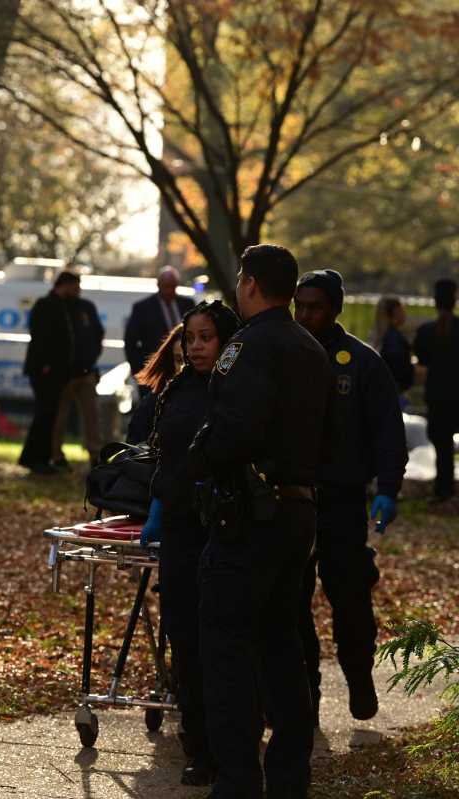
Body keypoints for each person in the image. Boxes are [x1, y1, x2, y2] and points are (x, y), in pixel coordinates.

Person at [191, 244, 330, 799]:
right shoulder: (310, 347)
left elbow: (233, 426)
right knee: (282, 643)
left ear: (250, 284)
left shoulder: (248, 345)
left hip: (249, 516)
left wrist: (198, 456)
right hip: (297, 511)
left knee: (226, 649)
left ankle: (238, 781)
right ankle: (290, 777)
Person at [293, 270, 407, 725]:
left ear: (335, 308)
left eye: (315, 306)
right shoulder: (287, 356)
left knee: (351, 601)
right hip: (293, 500)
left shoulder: (362, 362)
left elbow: (387, 432)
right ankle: (305, 697)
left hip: (342, 502)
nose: (305, 315)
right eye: (299, 306)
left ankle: (359, 681)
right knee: (291, 601)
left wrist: (388, 489)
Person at [139, 300, 240, 785]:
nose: (197, 347)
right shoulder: (178, 389)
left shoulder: (235, 389)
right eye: (191, 339)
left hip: (222, 526)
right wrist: (159, 505)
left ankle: (227, 745)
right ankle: (196, 744)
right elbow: (165, 455)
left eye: (206, 338)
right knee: (183, 637)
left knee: (219, 639)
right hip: (180, 527)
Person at [19, 273, 74, 474]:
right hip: (46, 370)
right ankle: (35, 458)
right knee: (45, 413)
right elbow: (43, 337)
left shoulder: (59, 305)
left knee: (48, 414)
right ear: (65, 285)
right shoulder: (47, 305)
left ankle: (39, 457)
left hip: (52, 370)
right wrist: (46, 364)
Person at [52, 271, 105, 465]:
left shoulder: (86, 308)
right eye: (75, 286)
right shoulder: (58, 307)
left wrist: (91, 358)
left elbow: (98, 334)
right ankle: (56, 453)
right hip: (66, 374)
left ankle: (95, 454)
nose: (78, 290)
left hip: (86, 371)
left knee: (92, 416)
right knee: (60, 416)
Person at [413, 278, 459, 502]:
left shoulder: (427, 331)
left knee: (441, 443)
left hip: (437, 393)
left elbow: (422, 360)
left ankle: (444, 488)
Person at [124, 266, 196, 376]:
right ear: (158, 285)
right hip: (155, 370)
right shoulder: (143, 308)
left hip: (185, 367)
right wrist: (139, 370)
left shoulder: (187, 304)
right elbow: (130, 341)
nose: (169, 290)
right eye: (166, 286)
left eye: (172, 286)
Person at [125, 323, 184, 444]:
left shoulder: (219, 399)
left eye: (191, 359)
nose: (184, 367)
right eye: (179, 360)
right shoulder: (153, 404)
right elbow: (134, 449)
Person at [371, 296, 414, 395]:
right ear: (396, 312)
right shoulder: (393, 338)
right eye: (402, 310)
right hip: (394, 390)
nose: (405, 314)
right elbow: (398, 366)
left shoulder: (384, 336)